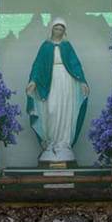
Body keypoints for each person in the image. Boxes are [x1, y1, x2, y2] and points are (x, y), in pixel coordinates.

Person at [25, 17, 89, 163]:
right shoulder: (45, 46)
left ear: (64, 31)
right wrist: (33, 81)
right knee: (51, 109)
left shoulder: (67, 46)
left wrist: (83, 82)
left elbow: (76, 65)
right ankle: (51, 142)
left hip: (67, 81)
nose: (59, 31)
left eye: (61, 29)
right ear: (52, 29)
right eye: (56, 28)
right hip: (50, 80)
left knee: (65, 110)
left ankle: (64, 144)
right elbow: (38, 65)